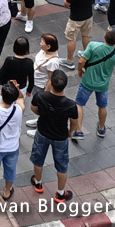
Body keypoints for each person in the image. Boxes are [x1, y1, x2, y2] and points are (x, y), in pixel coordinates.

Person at [29, 69, 81, 203]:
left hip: (42, 132)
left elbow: (34, 109)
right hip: (60, 137)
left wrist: (43, 113)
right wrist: (70, 132)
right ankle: (60, 193)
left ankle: (38, 183)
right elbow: (74, 122)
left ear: (51, 83)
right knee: (62, 165)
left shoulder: (40, 96)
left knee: (38, 158)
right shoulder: (70, 105)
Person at [73, 30, 115, 140]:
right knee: (102, 106)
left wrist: (80, 71)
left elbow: (81, 61)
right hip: (103, 84)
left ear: (104, 37)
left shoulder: (93, 45)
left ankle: (79, 131)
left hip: (87, 81)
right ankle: (101, 128)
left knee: (79, 104)